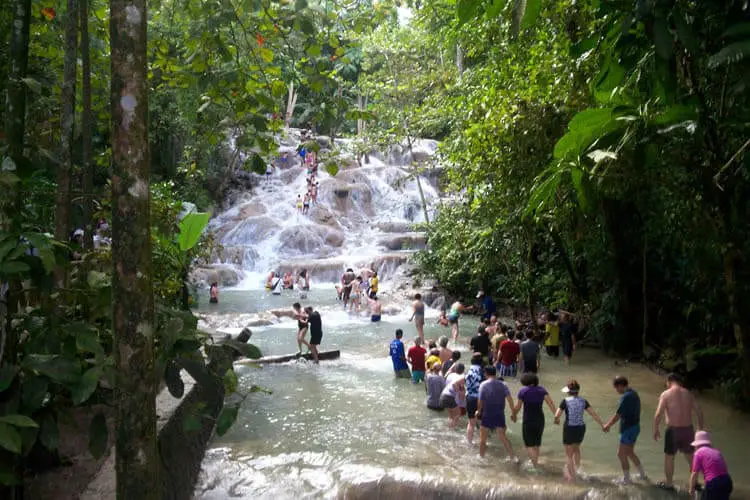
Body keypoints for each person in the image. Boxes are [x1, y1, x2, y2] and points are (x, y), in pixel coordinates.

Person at [653, 372, 705, 491]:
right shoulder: (688, 393)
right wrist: (700, 429)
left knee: (669, 457)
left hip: (673, 430)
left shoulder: (665, 394)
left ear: (669, 381)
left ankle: (669, 484)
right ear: (680, 382)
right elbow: (699, 412)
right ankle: (695, 483)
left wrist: (655, 429)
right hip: (688, 430)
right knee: (691, 457)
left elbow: (658, 414)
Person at [554, 380, 606, 482]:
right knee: (576, 449)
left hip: (569, 428)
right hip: (581, 428)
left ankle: (572, 477)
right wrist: (602, 425)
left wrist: (556, 420)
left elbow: (557, 415)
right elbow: (593, 414)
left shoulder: (565, 401)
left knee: (568, 454)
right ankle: (577, 470)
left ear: (568, 391)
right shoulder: (583, 401)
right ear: (578, 391)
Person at [602, 376, 647, 484]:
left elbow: (618, 414)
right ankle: (642, 475)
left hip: (628, 428)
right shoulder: (634, 393)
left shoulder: (626, 397)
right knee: (630, 452)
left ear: (621, 386)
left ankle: (627, 479)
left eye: (617, 388)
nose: (617, 391)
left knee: (621, 454)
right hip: (635, 427)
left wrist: (608, 425)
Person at [511, 373, 556, 469]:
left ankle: (535, 466)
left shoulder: (523, 391)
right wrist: (556, 416)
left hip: (528, 420)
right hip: (540, 419)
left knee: (529, 444)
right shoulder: (542, 390)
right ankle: (535, 462)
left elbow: (518, 407)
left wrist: (513, 415)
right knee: (536, 443)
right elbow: (550, 403)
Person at [476, 366, 516, 460]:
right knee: (503, 437)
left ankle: (481, 457)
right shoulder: (503, 384)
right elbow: (510, 400)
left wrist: (478, 411)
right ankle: (513, 457)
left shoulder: (483, 384)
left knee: (483, 439)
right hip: (499, 413)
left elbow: (480, 400)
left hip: (487, 413)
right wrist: (513, 413)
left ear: (486, 373)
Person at [689, 431, 733, 500]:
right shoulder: (717, 452)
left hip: (714, 484)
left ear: (697, 445)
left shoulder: (698, 453)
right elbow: (724, 469)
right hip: (727, 481)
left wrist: (691, 489)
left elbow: (694, 473)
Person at [464, 353, 484, 444]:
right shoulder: (483, 372)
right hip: (480, 399)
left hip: (470, 398)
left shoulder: (469, 371)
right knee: (481, 422)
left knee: (471, 423)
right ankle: (483, 442)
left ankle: (469, 443)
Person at [440, 363, 465, 428]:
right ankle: (452, 430)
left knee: (451, 416)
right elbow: (461, 394)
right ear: (463, 370)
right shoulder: (462, 377)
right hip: (449, 397)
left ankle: (449, 428)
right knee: (457, 414)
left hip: (443, 395)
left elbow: (447, 375)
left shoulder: (450, 375)